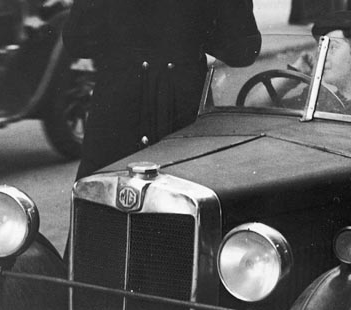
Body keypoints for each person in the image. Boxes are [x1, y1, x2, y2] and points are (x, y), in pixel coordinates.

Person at [63, 1, 261, 179]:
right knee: (184, 206)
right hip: (180, 109)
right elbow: (242, 49)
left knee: (103, 204)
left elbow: (77, 40)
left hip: (117, 110)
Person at [247, 11, 351, 122]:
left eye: (332, 48)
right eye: (321, 48)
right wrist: (295, 73)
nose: (321, 55)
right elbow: (253, 108)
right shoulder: (319, 98)